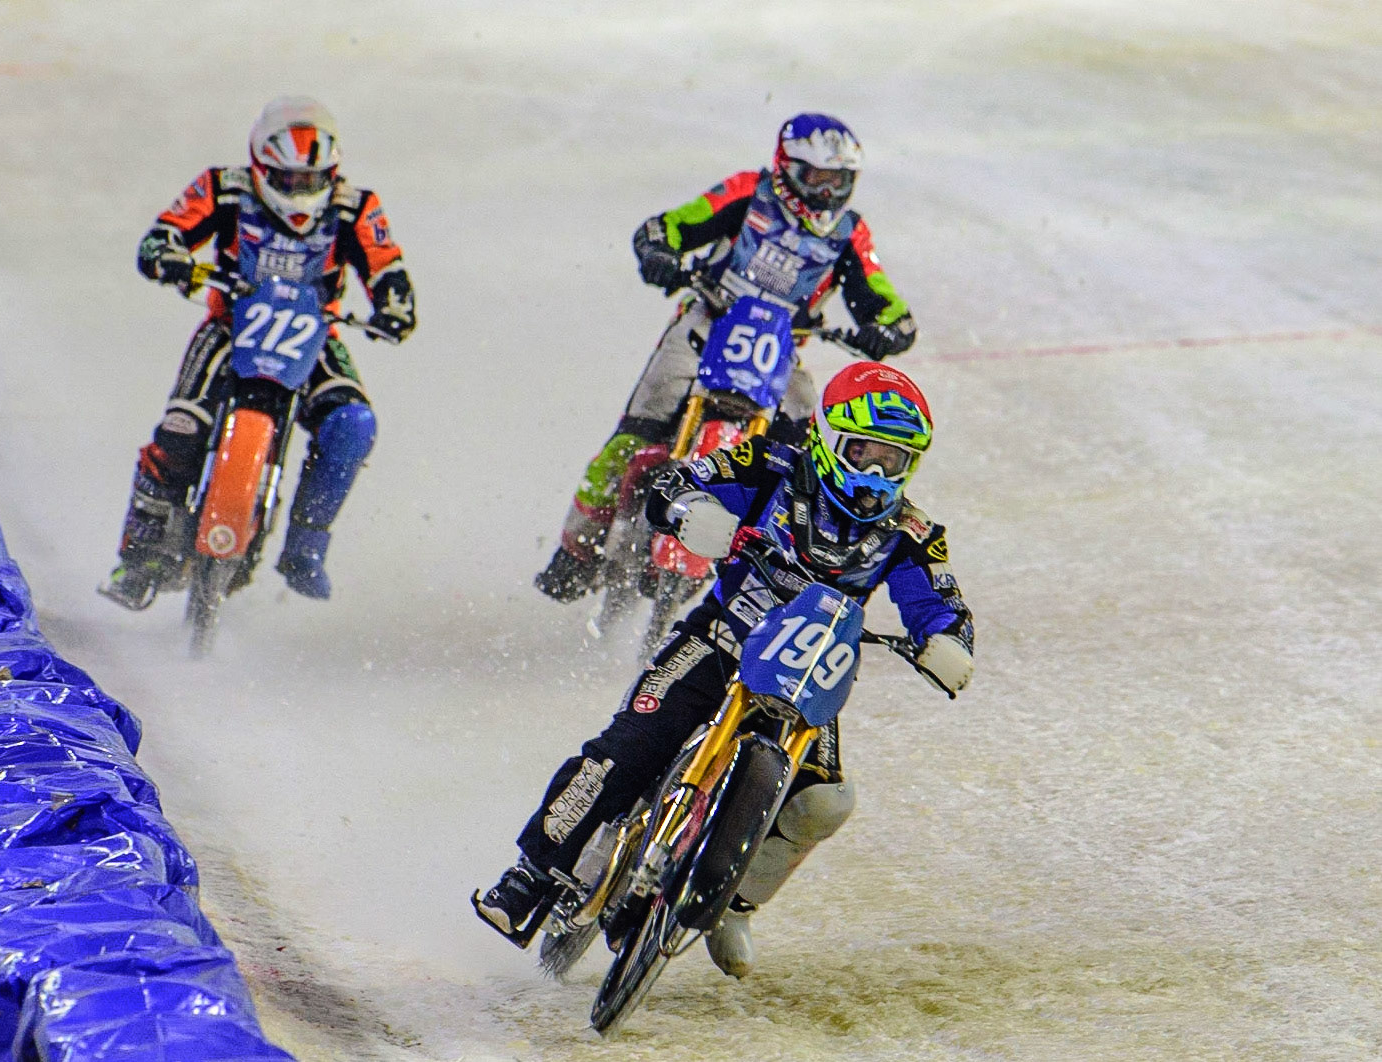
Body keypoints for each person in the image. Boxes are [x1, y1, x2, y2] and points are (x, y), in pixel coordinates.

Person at [476, 361, 972, 978]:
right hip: (722, 635)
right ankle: (530, 873)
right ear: (825, 436)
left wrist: (948, 640)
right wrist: (686, 510)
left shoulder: (911, 533)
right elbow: (677, 481)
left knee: (825, 802)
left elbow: (942, 603)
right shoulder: (768, 466)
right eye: (864, 452)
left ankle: (734, 904)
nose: (874, 475)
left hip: (812, 672)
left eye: (893, 461)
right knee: (630, 745)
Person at [535, 112, 920, 603]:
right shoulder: (748, 191)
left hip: (782, 351)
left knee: (805, 461)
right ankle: (575, 552)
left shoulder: (849, 233)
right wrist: (661, 251)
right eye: (815, 179)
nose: (825, 193)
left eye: (837, 181)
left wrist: (887, 328)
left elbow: (884, 298)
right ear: (786, 168)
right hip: (707, 323)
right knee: (630, 441)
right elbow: (673, 225)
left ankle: (785, 565)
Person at [102, 96, 415, 609]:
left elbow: (387, 265)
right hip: (230, 326)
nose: (299, 194)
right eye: (287, 181)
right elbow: (161, 237)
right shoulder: (222, 189)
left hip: (314, 335)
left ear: (331, 173)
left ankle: (306, 545)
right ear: (261, 166)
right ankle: (137, 559)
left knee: (353, 423)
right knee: (180, 430)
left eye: (311, 181)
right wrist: (173, 260)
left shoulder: (357, 207)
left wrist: (395, 305)